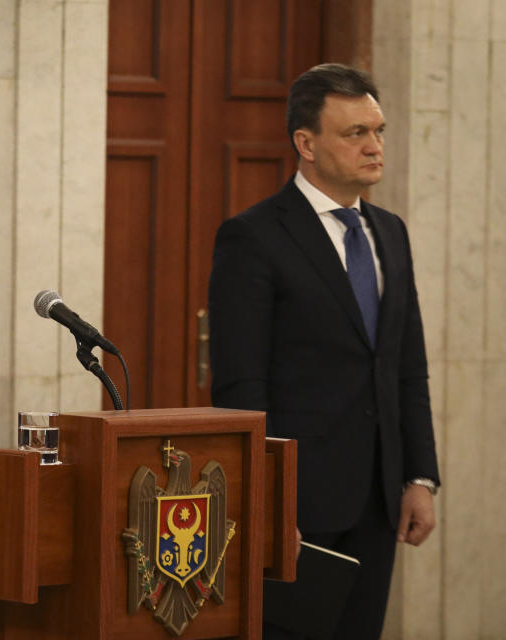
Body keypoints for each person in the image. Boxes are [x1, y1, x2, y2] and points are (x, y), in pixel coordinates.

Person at [208, 64, 440, 639]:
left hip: (378, 498)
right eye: (355, 133)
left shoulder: (391, 232)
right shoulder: (254, 236)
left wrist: (420, 477)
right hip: (299, 505)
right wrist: (264, 504)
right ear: (305, 144)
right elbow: (241, 388)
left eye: (379, 131)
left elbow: (407, 366)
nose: (374, 146)